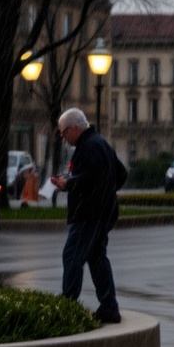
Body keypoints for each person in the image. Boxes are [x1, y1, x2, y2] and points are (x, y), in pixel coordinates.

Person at [50, 108, 127, 324]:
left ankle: (68, 306)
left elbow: (91, 178)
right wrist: (107, 192)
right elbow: (120, 174)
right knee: (96, 257)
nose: (64, 138)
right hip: (103, 212)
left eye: (64, 132)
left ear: (75, 127)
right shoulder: (100, 143)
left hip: (89, 214)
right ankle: (109, 307)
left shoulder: (89, 147)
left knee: (72, 255)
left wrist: (69, 183)